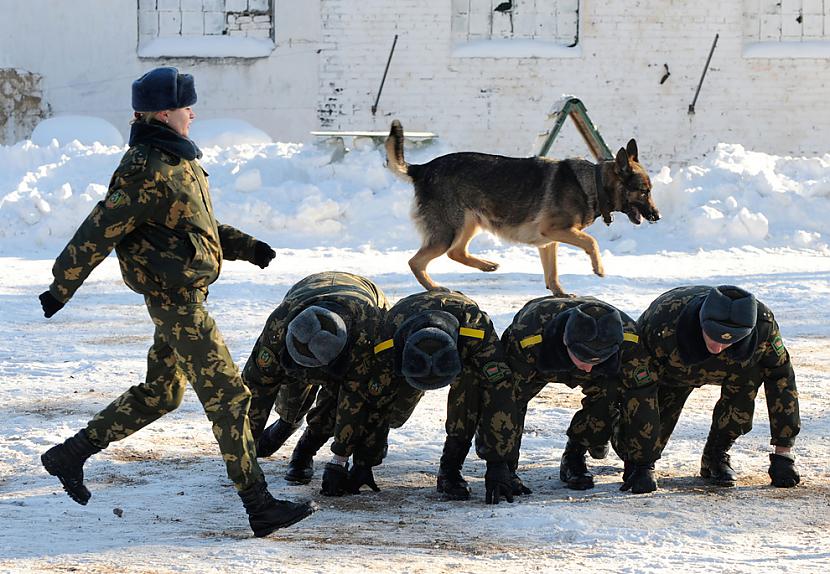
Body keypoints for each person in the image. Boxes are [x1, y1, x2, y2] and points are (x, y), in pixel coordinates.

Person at [37, 67, 315, 537]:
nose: (193, 113)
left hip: (183, 294)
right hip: (177, 303)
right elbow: (98, 229)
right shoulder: (145, 166)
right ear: (164, 113)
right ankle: (259, 504)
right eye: (187, 106)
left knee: (162, 392)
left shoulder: (177, 160)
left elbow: (194, 225)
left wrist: (247, 247)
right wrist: (61, 286)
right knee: (230, 396)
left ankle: (70, 454)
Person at [320, 289, 520, 504]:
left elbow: (500, 392)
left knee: (470, 389)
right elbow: (368, 401)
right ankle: (369, 456)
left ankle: (450, 469)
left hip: (463, 347)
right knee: (390, 407)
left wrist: (498, 463)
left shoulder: (475, 329)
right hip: (406, 330)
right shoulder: (386, 340)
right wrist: (350, 461)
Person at [637, 285, 801, 488]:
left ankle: (716, 455)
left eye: (729, 340)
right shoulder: (663, 320)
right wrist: (640, 461)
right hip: (672, 372)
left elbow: (781, 379)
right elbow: (636, 383)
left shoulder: (764, 326)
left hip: (734, 369)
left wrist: (784, 454)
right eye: (712, 335)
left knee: (750, 375)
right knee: (637, 441)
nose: (717, 347)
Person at [242, 271, 389, 484]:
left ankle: (305, 449)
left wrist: (340, 460)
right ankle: (286, 423)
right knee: (292, 392)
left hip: (364, 301)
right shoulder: (279, 327)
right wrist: (244, 453)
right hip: (308, 289)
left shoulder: (368, 330)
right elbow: (255, 390)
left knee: (334, 401)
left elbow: (353, 402)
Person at [501, 297, 660, 494]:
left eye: (597, 359)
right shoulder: (528, 335)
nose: (587, 368)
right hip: (542, 354)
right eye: (582, 356)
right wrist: (499, 466)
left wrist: (643, 465)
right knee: (511, 397)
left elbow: (643, 399)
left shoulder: (629, 339)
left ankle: (575, 455)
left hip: (603, 370)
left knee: (609, 393)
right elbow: (504, 402)